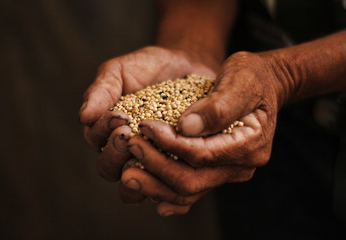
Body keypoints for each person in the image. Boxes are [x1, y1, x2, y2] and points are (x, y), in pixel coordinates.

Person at [79, 0, 346, 236]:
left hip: (266, 85)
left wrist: (287, 74)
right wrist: (193, 46)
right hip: (258, 110)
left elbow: (278, 76)